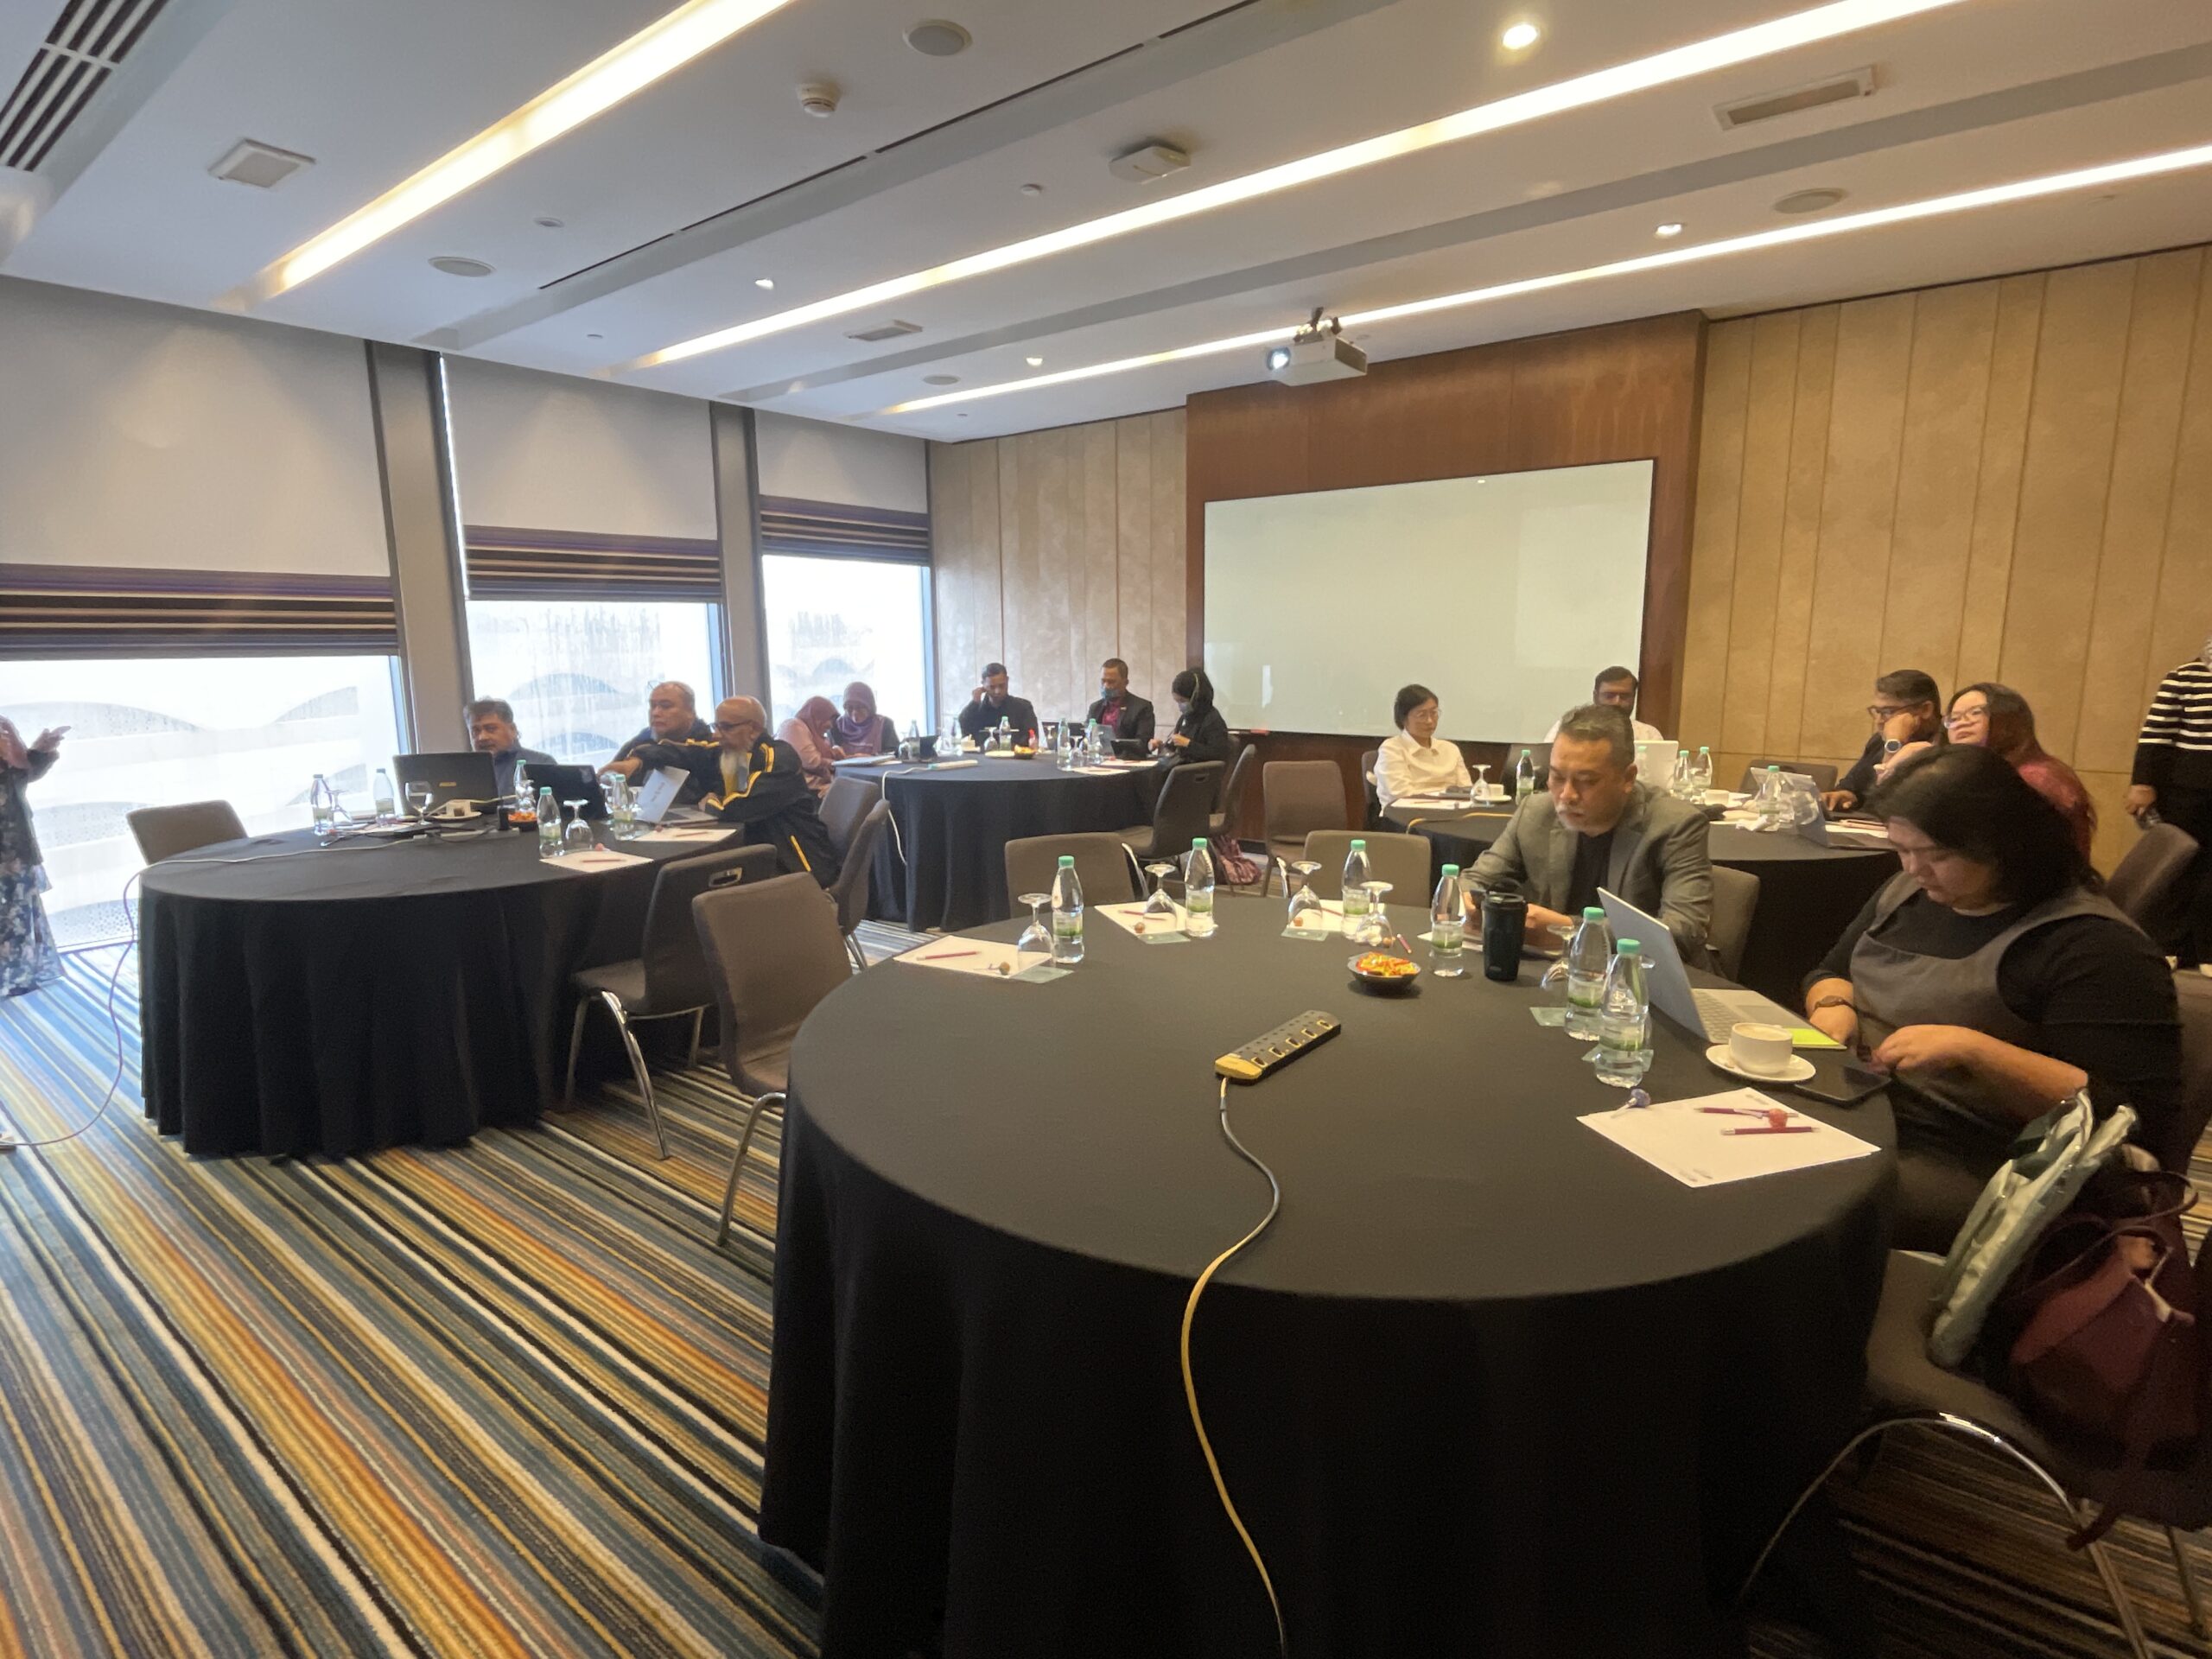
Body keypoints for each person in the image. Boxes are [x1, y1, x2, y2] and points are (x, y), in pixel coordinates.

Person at [1802, 745, 2179, 1252]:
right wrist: (1833, 1007)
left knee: (1799, 1194)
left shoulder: (2092, 945)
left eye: (1937, 855)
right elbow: (1831, 972)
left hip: (1983, 1159)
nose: (1914, 869)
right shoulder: (1906, 893)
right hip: (1867, 1108)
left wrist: (1975, 1051)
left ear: (2003, 845)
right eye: (1902, 849)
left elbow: (2130, 1117)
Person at [1470, 703, 1713, 959]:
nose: (1567, 795)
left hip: (1643, 976)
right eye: (1557, 777)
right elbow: (1474, 881)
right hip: (1558, 970)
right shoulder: (1535, 812)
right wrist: (1469, 901)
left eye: (1587, 781)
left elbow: (1684, 932)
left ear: (1628, 778)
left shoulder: (1675, 825)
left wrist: (1569, 930)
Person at [631, 696, 840, 886]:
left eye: (726, 727)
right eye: (716, 726)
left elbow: (740, 807)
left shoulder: (778, 757)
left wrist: (712, 802)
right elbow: (689, 752)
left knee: (692, 883)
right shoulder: (734, 751)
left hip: (799, 865)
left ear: (753, 729)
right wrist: (638, 760)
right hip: (762, 855)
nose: (717, 735)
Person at [1938, 683, 2095, 860]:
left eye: (1975, 713)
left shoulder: (2037, 777)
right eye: (1954, 718)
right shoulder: (1977, 772)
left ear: (2008, 719)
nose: (1961, 723)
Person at [2128, 635, 2212, 959]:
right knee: (2180, 867)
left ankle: (2206, 949)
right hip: (2187, 790)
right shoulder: (2185, 676)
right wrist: (2143, 783)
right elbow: (2155, 734)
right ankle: (2169, 945)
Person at [0, 716, 64, 996]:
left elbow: (19, 774)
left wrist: (39, 751)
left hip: (14, 847)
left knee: (18, 915)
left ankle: (15, 977)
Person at [1821, 669, 1942, 813]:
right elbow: (1852, 787)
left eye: (1888, 712)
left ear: (1925, 709)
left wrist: (1894, 744)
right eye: (1877, 712)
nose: (1879, 721)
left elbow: (1892, 804)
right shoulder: (1879, 741)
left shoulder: (1948, 746)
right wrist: (1844, 796)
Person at [606, 682, 715, 800]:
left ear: (690, 712)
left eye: (666, 706)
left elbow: (675, 753)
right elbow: (612, 781)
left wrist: (638, 761)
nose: (655, 713)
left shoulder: (708, 745)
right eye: (653, 706)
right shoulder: (642, 740)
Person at [1374, 683, 1471, 809]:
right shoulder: (1392, 749)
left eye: (1434, 713)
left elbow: (1467, 791)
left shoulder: (1450, 749)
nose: (1430, 721)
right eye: (1422, 715)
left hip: (1451, 814)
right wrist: (1442, 801)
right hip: (1406, 815)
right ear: (1403, 718)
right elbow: (1402, 796)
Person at [1541, 667, 1662, 743]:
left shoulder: (1649, 735)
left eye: (1624, 696)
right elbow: (1546, 766)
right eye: (1609, 696)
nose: (1617, 702)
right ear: (1596, 696)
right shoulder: (1567, 726)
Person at [464, 699, 554, 798]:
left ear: (513, 729)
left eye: (491, 729)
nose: (482, 737)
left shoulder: (541, 763)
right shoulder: (464, 771)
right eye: (475, 731)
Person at [1154, 667, 1230, 766]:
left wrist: (1188, 744)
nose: (1180, 705)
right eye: (1177, 701)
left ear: (1196, 697)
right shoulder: (1186, 717)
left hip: (1196, 772)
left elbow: (1218, 754)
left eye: (1182, 701)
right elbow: (1175, 748)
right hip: (1181, 769)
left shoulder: (1213, 720)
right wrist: (1161, 746)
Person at [778, 696, 843, 798]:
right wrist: (837, 763)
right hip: (800, 792)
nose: (830, 725)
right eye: (828, 719)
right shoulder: (794, 726)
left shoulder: (816, 734)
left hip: (814, 788)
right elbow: (812, 761)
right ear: (817, 717)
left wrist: (835, 753)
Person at [957, 663, 1039, 745]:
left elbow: (1032, 737)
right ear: (983, 685)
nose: (997, 691)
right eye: (992, 687)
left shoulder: (1023, 708)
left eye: (1002, 686)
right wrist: (974, 703)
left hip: (1015, 752)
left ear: (1007, 680)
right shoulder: (975, 711)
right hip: (982, 753)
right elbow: (964, 730)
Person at [1086, 658, 1155, 745]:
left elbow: (1143, 743)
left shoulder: (1142, 708)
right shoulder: (1095, 708)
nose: (1106, 686)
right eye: (1103, 681)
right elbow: (1086, 737)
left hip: (1127, 753)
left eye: (1111, 682)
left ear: (1125, 682)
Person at [832, 682, 898, 757]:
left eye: (859, 707)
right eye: (850, 708)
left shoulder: (884, 724)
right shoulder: (836, 725)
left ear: (869, 706)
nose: (855, 712)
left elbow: (894, 754)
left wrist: (871, 757)